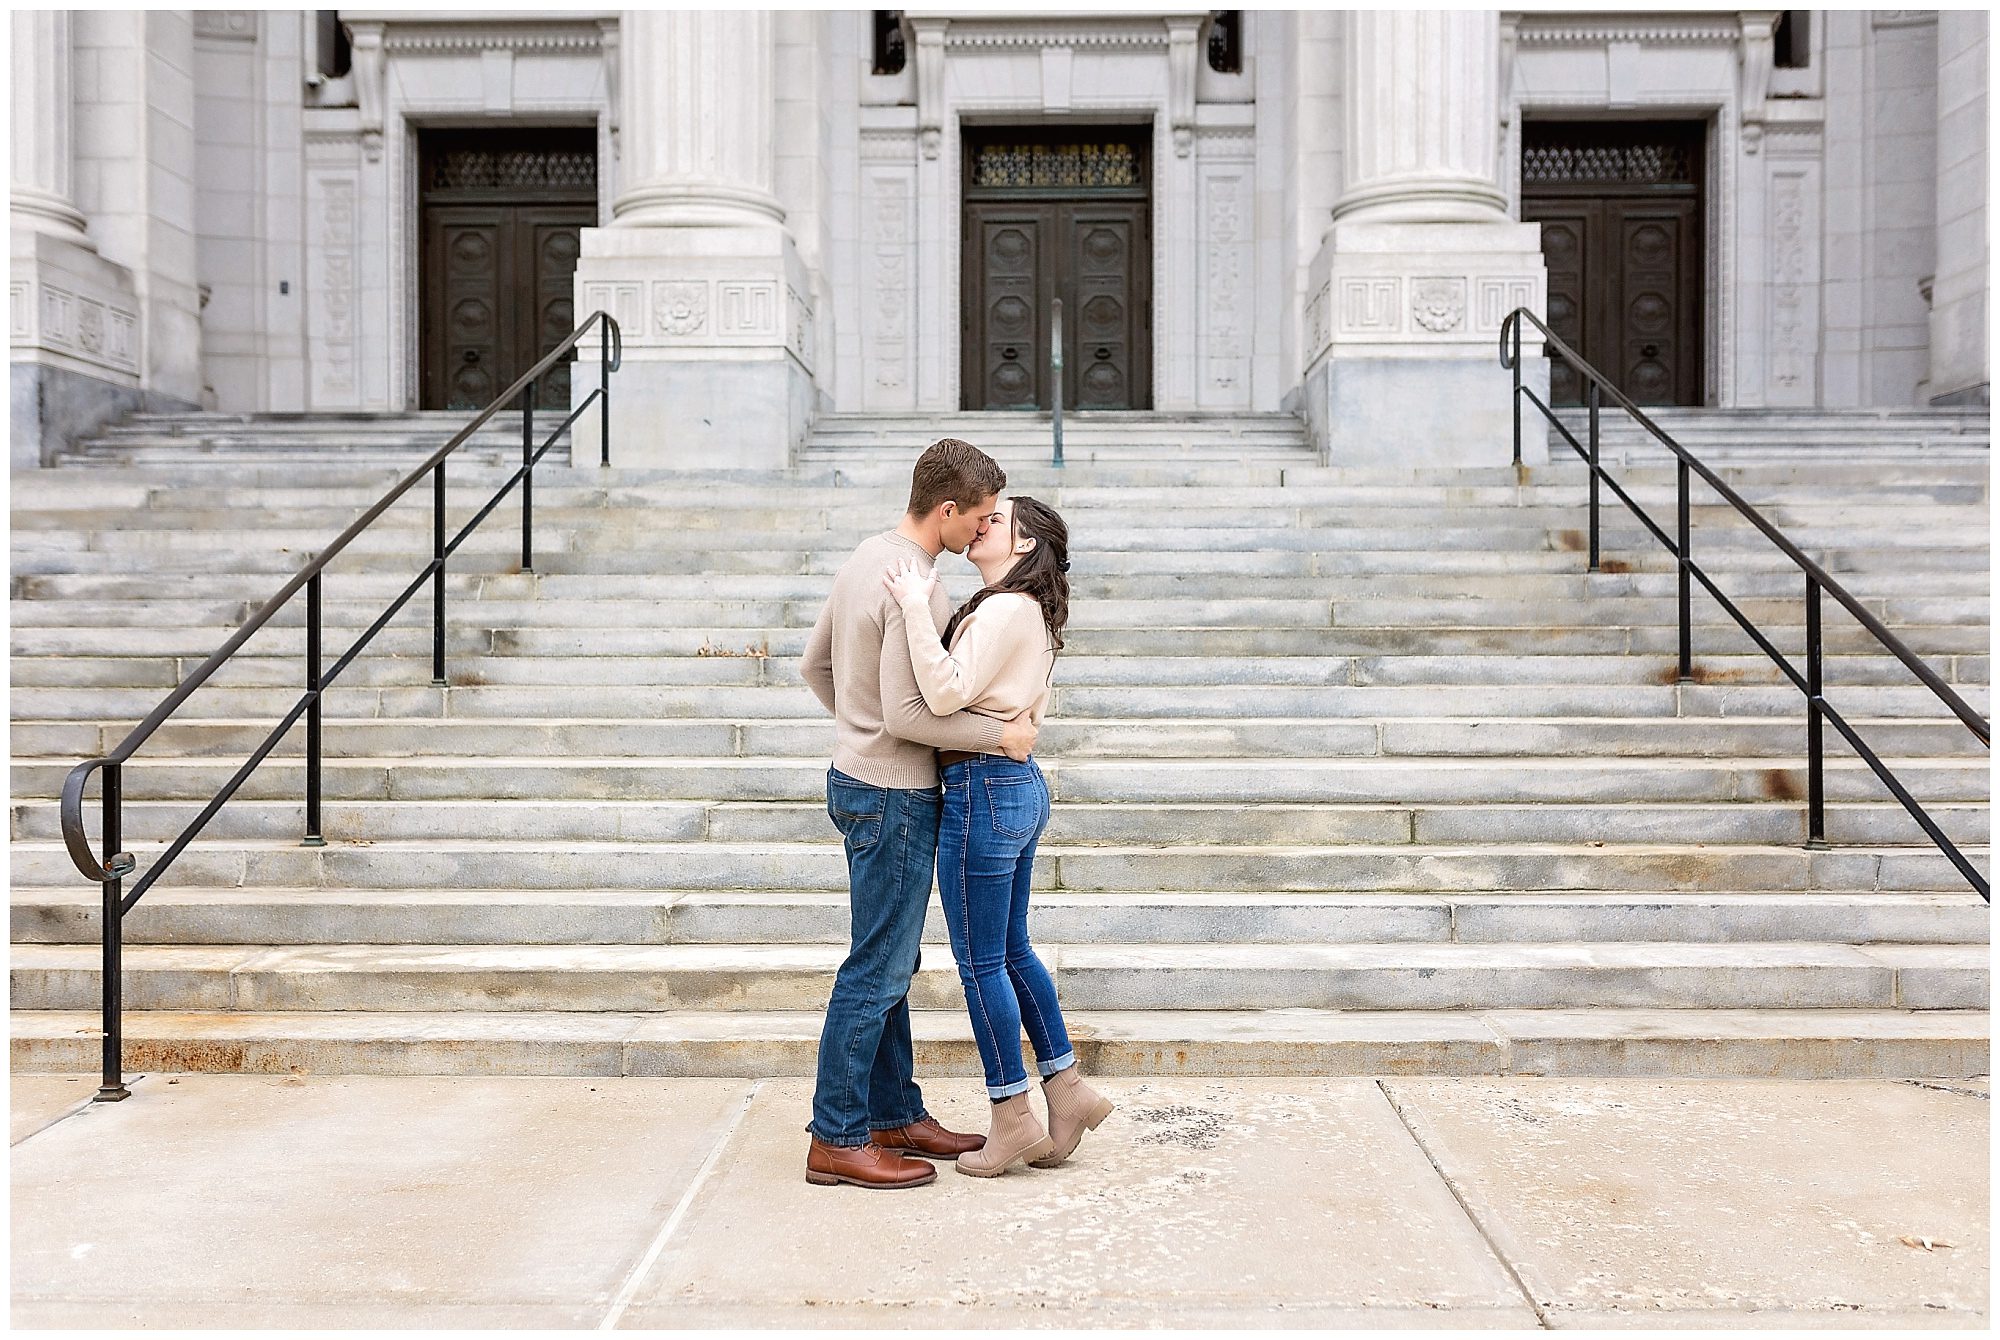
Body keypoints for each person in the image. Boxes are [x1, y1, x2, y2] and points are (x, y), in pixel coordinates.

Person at [797, 439, 1040, 1190]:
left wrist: (857, 731)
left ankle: (894, 1111)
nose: (981, 530)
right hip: (895, 795)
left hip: (858, 781)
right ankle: (837, 1136)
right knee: (877, 968)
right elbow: (911, 714)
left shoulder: (865, 559)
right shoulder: (920, 588)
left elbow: (815, 666)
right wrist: (1000, 735)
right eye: (977, 517)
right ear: (946, 510)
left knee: (891, 960)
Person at [882, 495, 1114, 1177]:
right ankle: (1066, 1089)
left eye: (997, 519)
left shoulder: (1005, 609)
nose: (982, 523)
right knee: (1011, 949)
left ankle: (1012, 1115)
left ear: (1022, 545)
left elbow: (947, 694)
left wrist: (913, 609)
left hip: (984, 788)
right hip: (1012, 785)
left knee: (982, 960)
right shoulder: (1021, 609)